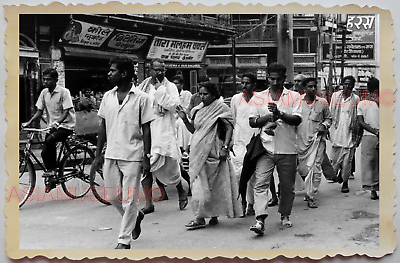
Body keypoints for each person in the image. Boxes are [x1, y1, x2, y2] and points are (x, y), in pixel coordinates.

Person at [91, 56, 154, 249]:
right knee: (112, 197)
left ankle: (123, 241)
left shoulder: (142, 98)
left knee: (129, 199)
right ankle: (136, 218)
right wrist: (97, 155)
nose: (109, 73)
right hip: (111, 153)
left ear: (124, 73)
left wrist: (146, 157)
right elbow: (102, 126)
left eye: (112, 70)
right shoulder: (108, 97)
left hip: (133, 154)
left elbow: (146, 129)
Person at [243, 63, 302, 236]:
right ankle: (260, 220)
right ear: (267, 78)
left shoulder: (294, 96)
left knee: (286, 186)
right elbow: (253, 122)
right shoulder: (258, 97)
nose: (275, 82)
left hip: (287, 149)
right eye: (272, 78)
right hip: (265, 148)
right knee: (260, 184)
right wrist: (269, 117)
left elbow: (297, 120)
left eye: (278, 79)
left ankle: (285, 214)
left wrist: (280, 114)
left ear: (285, 78)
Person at [176, 82, 243, 230]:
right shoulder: (197, 110)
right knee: (199, 185)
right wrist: (184, 119)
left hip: (215, 151)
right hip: (198, 151)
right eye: (200, 93)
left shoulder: (221, 108)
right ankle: (199, 217)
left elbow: (229, 128)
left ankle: (213, 214)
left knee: (215, 185)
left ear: (213, 94)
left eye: (205, 94)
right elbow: (194, 129)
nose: (202, 96)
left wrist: (225, 147)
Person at [137, 58, 188, 214]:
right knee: (146, 167)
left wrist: (160, 89)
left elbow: (174, 107)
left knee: (171, 169)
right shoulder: (143, 86)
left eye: (162, 70)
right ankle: (148, 203)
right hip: (146, 131)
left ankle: (180, 189)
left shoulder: (170, 87)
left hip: (163, 132)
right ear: (149, 70)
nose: (159, 73)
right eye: (156, 70)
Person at [21, 68, 76, 193]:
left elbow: (67, 110)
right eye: (44, 79)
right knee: (45, 151)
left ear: (56, 80)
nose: (46, 82)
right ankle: (51, 179)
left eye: (49, 79)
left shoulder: (64, 92)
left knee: (50, 141)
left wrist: (58, 122)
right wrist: (28, 122)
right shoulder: (44, 93)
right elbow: (39, 111)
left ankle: (52, 169)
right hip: (52, 126)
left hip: (66, 126)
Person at [231, 72, 275, 216]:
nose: (244, 86)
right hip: (239, 142)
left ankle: (251, 204)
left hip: (255, 142)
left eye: (247, 83)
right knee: (240, 175)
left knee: (255, 176)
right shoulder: (235, 99)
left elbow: (265, 120)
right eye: (242, 82)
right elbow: (232, 120)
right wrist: (231, 141)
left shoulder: (260, 99)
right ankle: (242, 203)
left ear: (254, 85)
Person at [296, 77, 332, 208]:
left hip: (318, 141)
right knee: (303, 169)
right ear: (304, 89)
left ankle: (311, 195)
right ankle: (306, 188)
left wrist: (324, 125)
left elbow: (329, 118)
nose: (312, 89)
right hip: (300, 142)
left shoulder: (322, 102)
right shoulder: (297, 102)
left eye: (314, 86)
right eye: (309, 87)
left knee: (316, 168)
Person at [329, 75, 361, 193]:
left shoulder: (356, 99)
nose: (347, 86)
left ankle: (345, 183)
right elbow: (331, 112)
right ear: (342, 84)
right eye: (345, 84)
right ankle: (337, 175)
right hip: (336, 132)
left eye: (350, 84)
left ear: (353, 86)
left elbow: (357, 117)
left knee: (347, 161)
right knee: (334, 160)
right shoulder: (335, 96)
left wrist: (357, 135)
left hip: (349, 133)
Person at [357, 77, 379, 200]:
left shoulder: (362, 104)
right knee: (382, 164)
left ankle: (372, 191)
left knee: (369, 164)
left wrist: (374, 132)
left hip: (369, 136)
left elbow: (361, 122)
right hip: (383, 135)